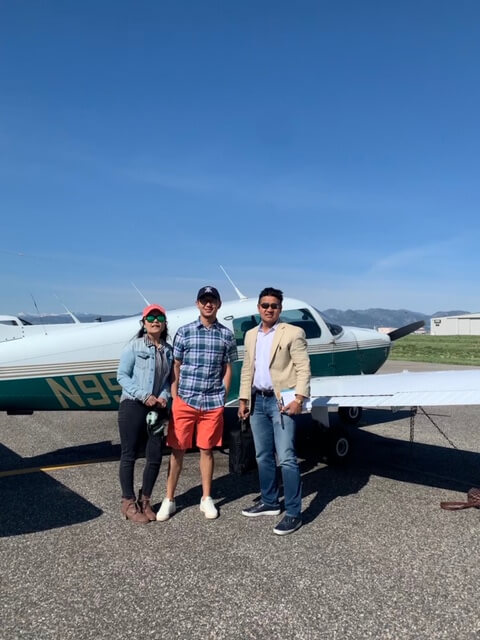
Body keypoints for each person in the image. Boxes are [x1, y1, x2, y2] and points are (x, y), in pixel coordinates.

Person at [157, 286, 238, 521]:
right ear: (197, 304)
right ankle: (169, 499)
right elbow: (176, 365)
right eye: (204, 300)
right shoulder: (185, 332)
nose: (208, 304)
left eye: (212, 300)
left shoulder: (226, 335)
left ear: (219, 304)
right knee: (177, 450)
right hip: (185, 399)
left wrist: (223, 396)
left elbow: (228, 368)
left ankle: (206, 498)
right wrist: (175, 396)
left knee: (207, 450)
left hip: (212, 401)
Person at [238, 287, 311, 535]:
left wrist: (299, 398)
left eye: (274, 306)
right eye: (265, 305)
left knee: (287, 457)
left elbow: (303, 368)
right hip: (257, 400)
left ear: (280, 308)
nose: (269, 309)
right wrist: (243, 399)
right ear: (258, 307)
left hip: (282, 401)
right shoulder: (251, 335)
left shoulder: (293, 332)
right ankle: (269, 501)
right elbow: (247, 369)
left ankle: (293, 513)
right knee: (262, 455)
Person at [116, 304, 173, 523]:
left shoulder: (168, 350)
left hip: (156, 408)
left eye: (159, 317)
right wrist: (144, 395)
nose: (155, 321)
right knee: (129, 454)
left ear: (164, 323)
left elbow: (168, 380)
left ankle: (146, 499)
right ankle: (128, 502)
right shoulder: (134, 346)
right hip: (133, 405)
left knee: (155, 454)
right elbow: (122, 376)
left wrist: (164, 397)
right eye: (151, 318)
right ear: (144, 323)